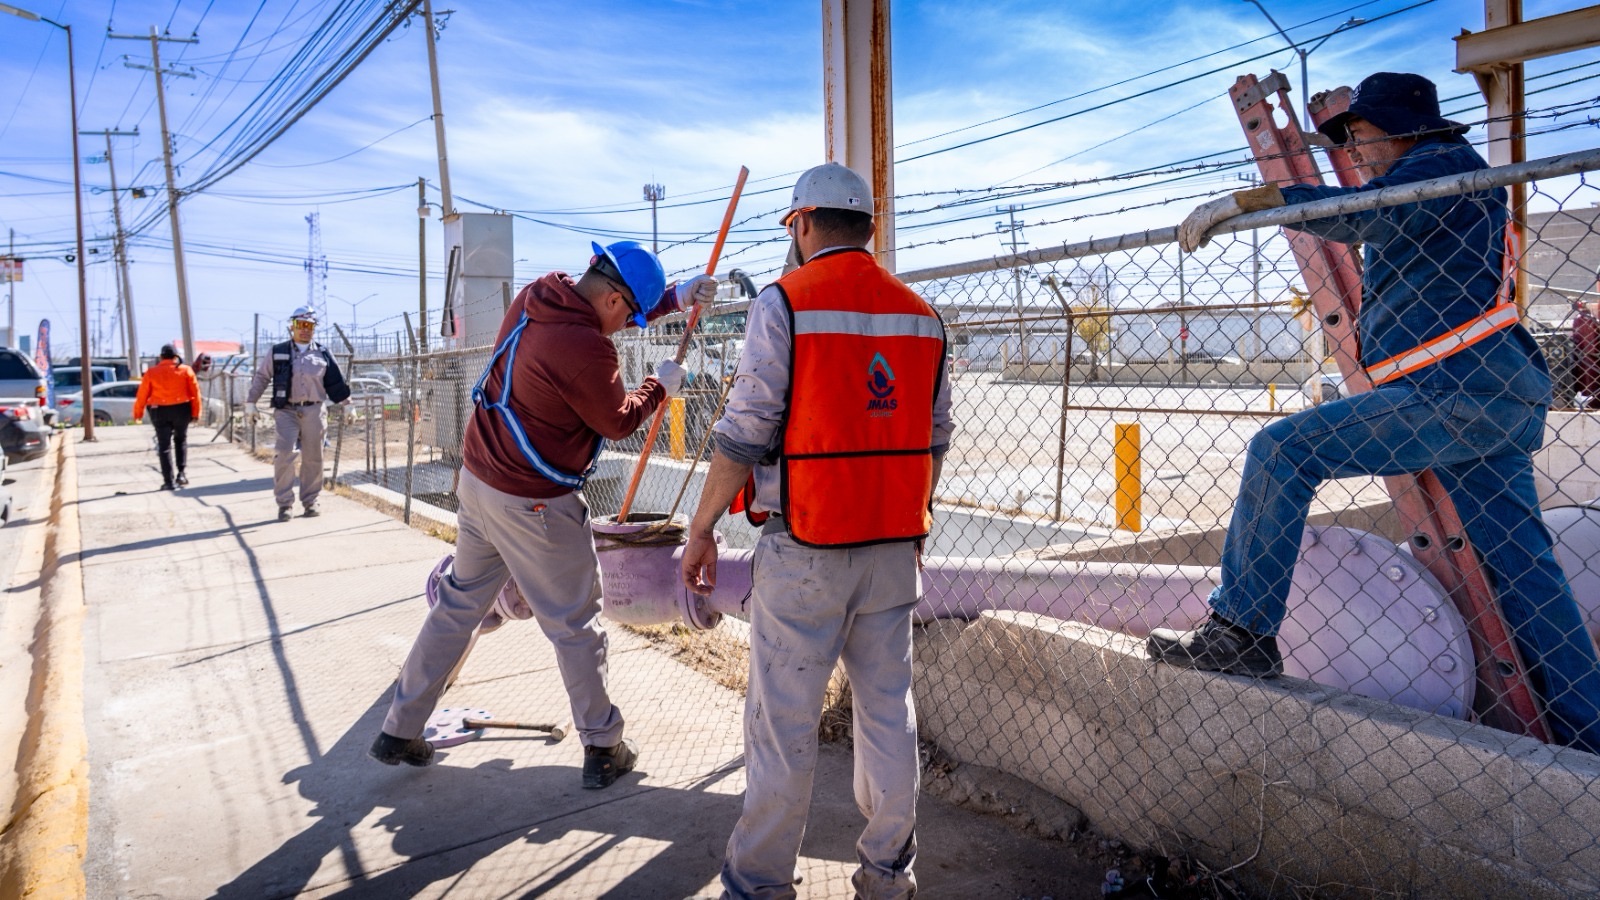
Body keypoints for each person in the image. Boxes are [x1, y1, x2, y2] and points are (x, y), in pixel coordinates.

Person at [1153, 72, 1600, 754]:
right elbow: (1379, 216)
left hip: (1453, 391)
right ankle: (1588, 732)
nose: (1355, 152)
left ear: (1403, 129)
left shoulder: (1439, 165)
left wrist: (1255, 200)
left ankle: (1240, 632)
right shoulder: (1445, 181)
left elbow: (1365, 214)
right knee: (1523, 568)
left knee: (1283, 451)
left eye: (1361, 136)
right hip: (1487, 394)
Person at [682, 162, 954, 899]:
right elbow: (935, 437)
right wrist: (915, 518)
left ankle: (760, 884)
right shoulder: (921, 315)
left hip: (806, 547)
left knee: (783, 726)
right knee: (888, 717)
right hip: (893, 549)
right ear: (868, 227)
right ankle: (888, 876)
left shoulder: (785, 302)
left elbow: (745, 430)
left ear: (801, 224)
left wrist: (701, 527)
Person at [369, 240, 718, 789]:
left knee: (457, 605)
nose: (626, 327)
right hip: (534, 502)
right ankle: (603, 746)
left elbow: (600, 316)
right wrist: (659, 387)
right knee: (575, 623)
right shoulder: (586, 348)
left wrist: (674, 298)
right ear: (613, 301)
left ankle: (399, 728)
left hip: (479, 479)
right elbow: (617, 421)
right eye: (629, 316)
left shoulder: (542, 293)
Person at [245, 307, 352, 521]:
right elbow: (262, 377)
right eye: (300, 325)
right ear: (292, 327)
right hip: (286, 410)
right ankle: (285, 504)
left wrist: (348, 404)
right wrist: (251, 403)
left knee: (313, 457)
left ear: (314, 328)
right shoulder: (278, 352)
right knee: (284, 453)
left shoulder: (322, 353)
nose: (305, 330)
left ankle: (311, 501)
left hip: (314, 411)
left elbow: (336, 382)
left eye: (309, 326)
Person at [132, 344, 201, 491]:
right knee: (181, 440)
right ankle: (181, 474)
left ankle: (168, 482)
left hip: (159, 411)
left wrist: (138, 413)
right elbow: (195, 393)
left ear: (161, 357)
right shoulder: (186, 370)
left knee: (164, 446)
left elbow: (142, 394)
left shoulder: (151, 372)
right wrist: (196, 413)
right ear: (176, 357)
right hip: (182, 409)